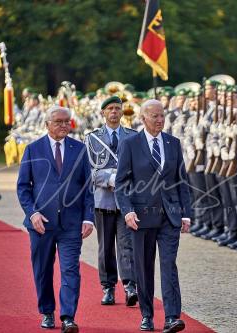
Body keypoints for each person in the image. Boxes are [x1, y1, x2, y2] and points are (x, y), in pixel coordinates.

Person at [115, 99, 192, 332]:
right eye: (155, 116)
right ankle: (147, 314)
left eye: (162, 115)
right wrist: (127, 211)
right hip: (141, 217)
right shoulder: (130, 144)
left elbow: (182, 182)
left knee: (169, 265)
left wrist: (186, 214)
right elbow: (121, 184)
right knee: (144, 268)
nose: (160, 120)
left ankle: (171, 317)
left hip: (170, 216)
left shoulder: (173, 143)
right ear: (142, 118)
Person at [17, 106, 94, 332]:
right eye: (58, 121)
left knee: (70, 270)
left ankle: (68, 317)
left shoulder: (79, 149)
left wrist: (88, 218)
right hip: (41, 224)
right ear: (47, 124)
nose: (63, 125)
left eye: (66, 122)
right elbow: (23, 187)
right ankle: (47, 312)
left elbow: (88, 188)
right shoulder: (33, 150)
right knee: (43, 270)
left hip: (71, 224)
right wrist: (32, 213)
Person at [84, 95, 138, 307]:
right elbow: (88, 171)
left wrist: (124, 179)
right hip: (103, 201)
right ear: (103, 113)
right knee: (105, 247)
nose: (114, 112)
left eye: (118, 108)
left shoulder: (133, 136)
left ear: (122, 112)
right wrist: (110, 178)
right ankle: (108, 287)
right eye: (110, 109)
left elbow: (140, 167)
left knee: (127, 245)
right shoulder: (92, 139)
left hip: (127, 201)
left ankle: (129, 285)